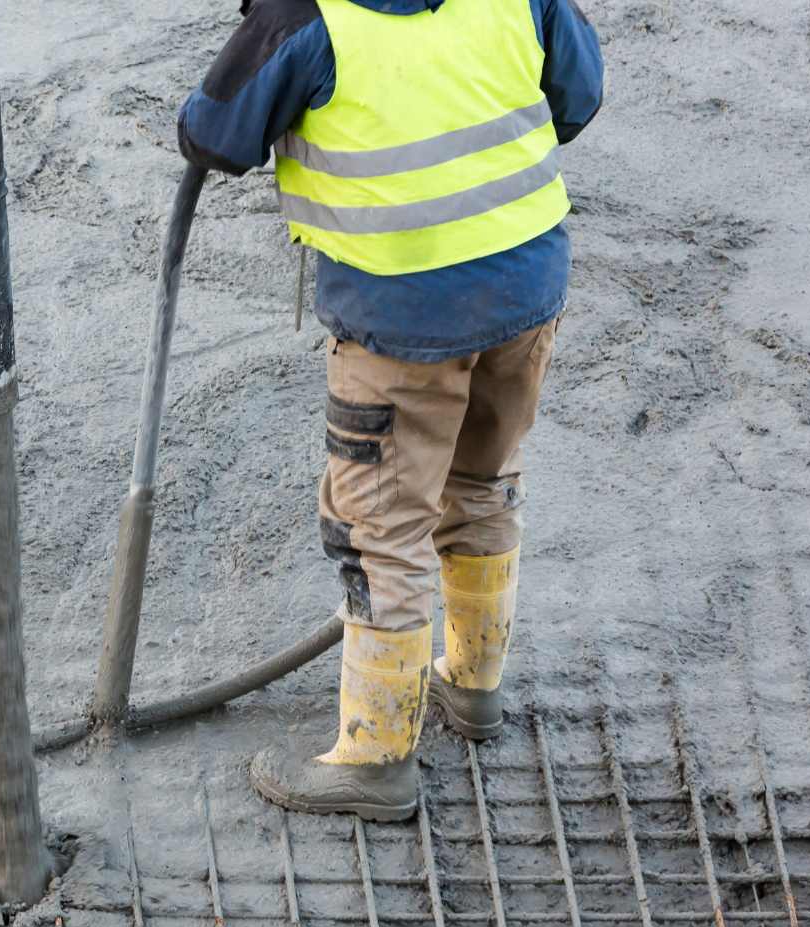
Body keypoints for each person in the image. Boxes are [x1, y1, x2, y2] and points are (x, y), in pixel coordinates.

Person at [177, 0, 603, 818]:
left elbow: (214, 133)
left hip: (402, 321)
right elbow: (577, 98)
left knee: (382, 530)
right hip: (526, 287)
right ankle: (472, 684)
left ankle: (376, 758)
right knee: (482, 481)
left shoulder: (307, 18)